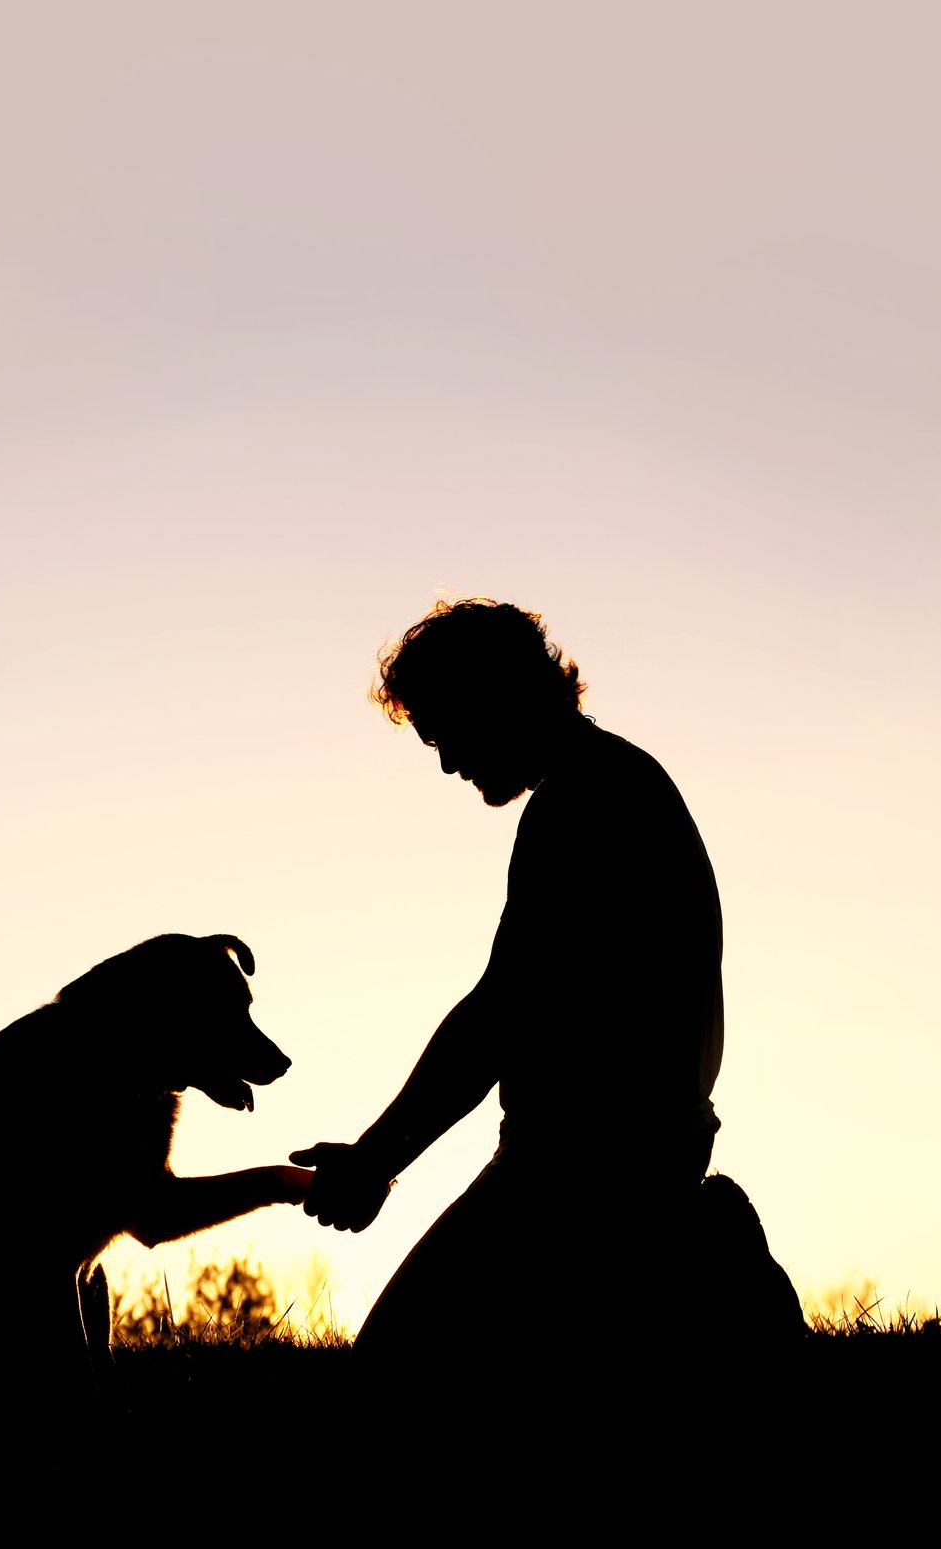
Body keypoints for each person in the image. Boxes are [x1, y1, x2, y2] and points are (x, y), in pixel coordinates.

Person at [293, 598, 752, 1409]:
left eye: (444, 730)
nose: (444, 764)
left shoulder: (582, 804)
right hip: (628, 1160)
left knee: (386, 1389)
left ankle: (711, 1262)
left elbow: (499, 1014)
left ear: (497, 694)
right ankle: (702, 1258)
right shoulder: (619, 781)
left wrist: (376, 1160)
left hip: (578, 1180)